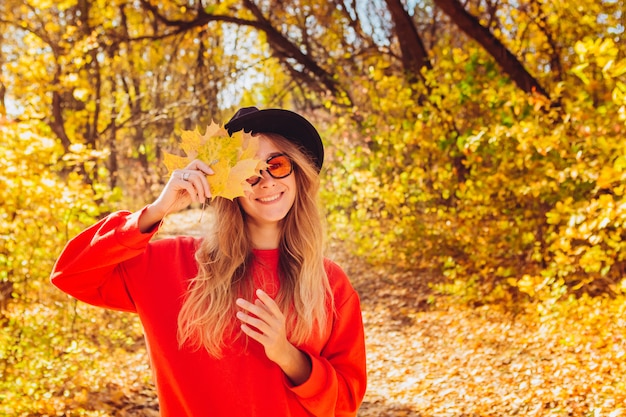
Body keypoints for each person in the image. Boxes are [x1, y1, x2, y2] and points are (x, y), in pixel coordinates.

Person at [50, 107, 367, 417]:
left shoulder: (330, 283)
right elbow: (71, 273)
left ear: (298, 173)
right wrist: (157, 210)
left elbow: (346, 402)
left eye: (278, 164)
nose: (267, 181)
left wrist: (288, 356)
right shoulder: (170, 265)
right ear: (226, 188)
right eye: (250, 172)